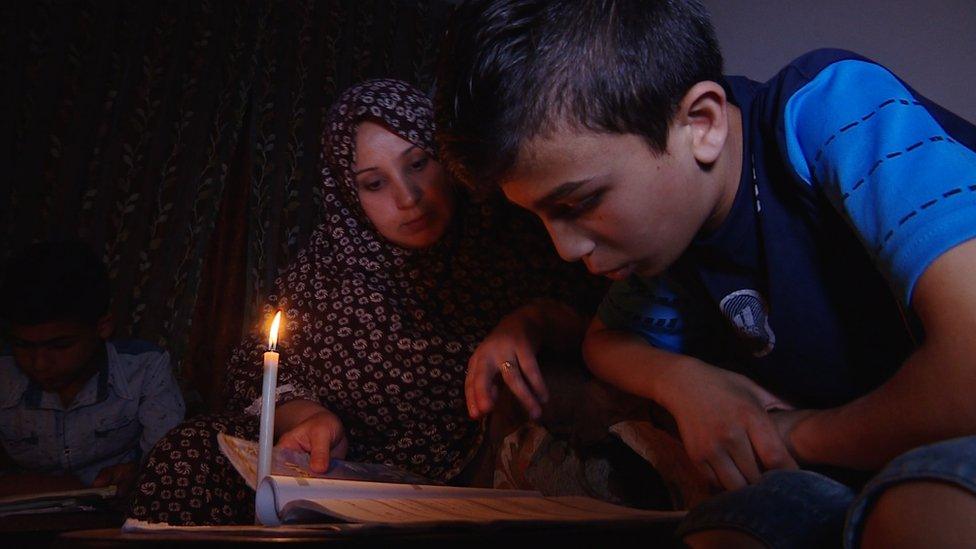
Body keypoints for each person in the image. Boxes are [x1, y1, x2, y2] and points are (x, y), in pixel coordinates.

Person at [434, 1, 976, 547]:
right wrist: (683, 383)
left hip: (927, 453)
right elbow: (606, 342)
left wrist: (793, 434)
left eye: (581, 201)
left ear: (702, 124)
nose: (566, 248)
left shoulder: (830, 109)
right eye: (539, 217)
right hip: (853, 465)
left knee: (921, 512)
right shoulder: (673, 237)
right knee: (725, 531)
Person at [128, 79, 606, 525]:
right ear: (348, 193)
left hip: (474, 470)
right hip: (340, 470)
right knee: (191, 452)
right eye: (374, 183)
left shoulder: (508, 239)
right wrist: (308, 417)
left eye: (419, 163)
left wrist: (529, 322)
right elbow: (257, 370)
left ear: (449, 160)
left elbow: (600, 321)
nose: (409, 197)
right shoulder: (326, 268)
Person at [0, 241, 185, 498]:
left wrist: (135, 474)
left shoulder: (144, 370)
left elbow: (165, 464)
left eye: (60, 346)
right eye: (23, 346)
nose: (39, 363)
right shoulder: (5, 375)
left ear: (103, 327)